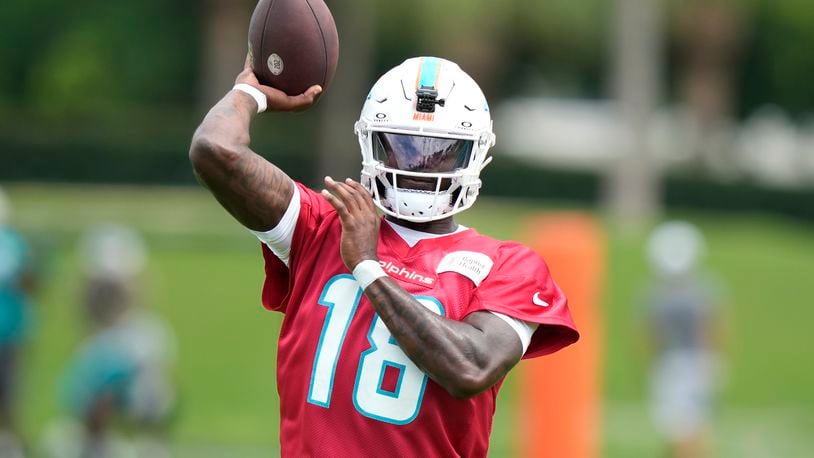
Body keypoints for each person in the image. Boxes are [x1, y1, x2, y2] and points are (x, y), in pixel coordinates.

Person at [189, 55, 579, 456]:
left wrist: (368, 268)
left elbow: (471, 367)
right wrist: (248, 93)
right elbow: (214, 150)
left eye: (441, 151)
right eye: (403, 146)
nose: (420, 166)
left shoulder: (508, 265)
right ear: (371, 143)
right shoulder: (322, 227)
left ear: (473, 154)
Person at [643, 221, 724, 458]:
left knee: (681, 430)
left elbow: (652, 335)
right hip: (699, 363)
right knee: (696, 428)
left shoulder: (656, 295)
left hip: (673, 366)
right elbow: (715, 329)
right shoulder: (705, 290)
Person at [0, 187, 37, 458]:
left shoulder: (13, 242)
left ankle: (9, 444)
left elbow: (29, 284)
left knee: (9, 394)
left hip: (10, 331)